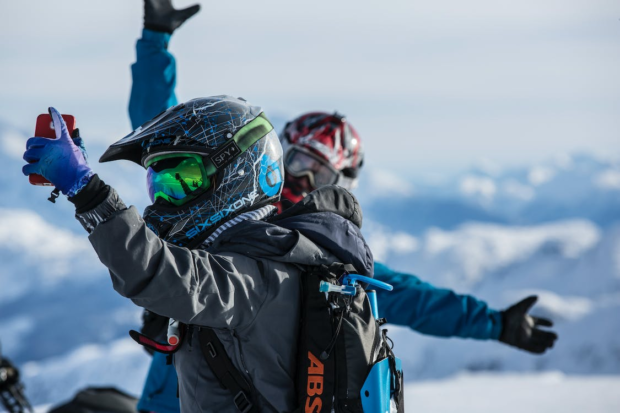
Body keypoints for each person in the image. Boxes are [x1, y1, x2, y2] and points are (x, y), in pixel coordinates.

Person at [125, 1, 558, 412]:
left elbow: (414, 298)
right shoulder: (222, 203)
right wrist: (156, 41)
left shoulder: (322, 255)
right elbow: (164, 134)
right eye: (297, 160)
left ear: (339, 184)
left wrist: (495, 324)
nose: (302, 179)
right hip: (173, 390)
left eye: (319, 173)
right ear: (275, 156)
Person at [23, 93, 379, 413]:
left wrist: (86, 190)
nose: (164, 200)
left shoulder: (259, 273)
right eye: (159, 183)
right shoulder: (258, 255)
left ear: (237, 174)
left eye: (185, 179)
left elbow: (154, 272)